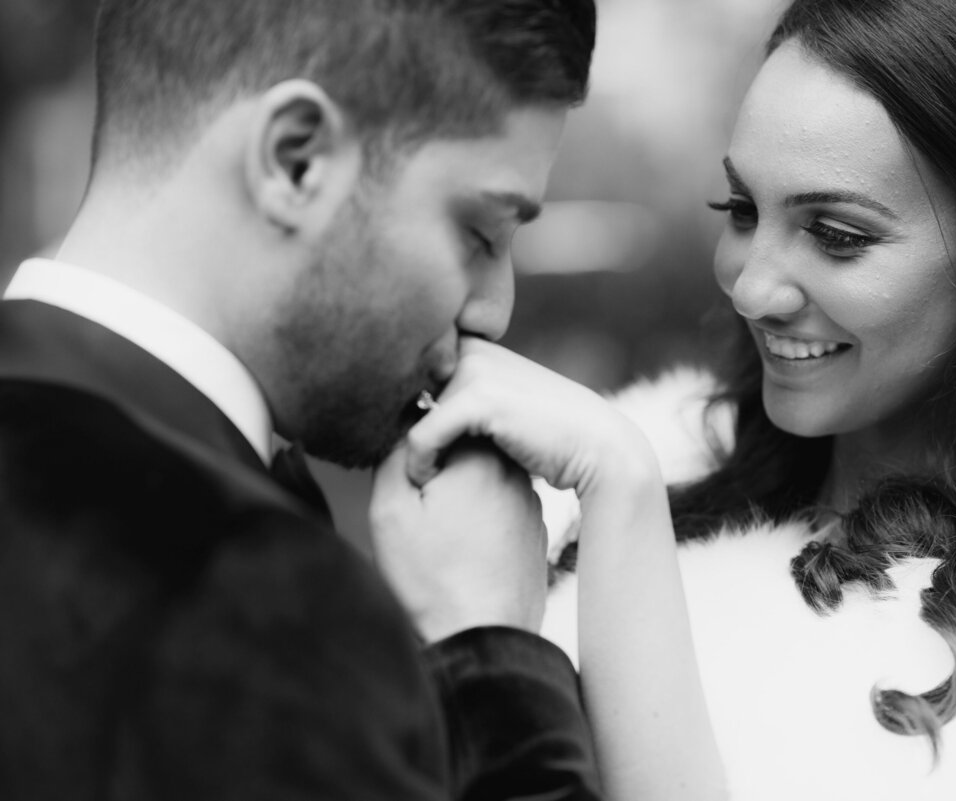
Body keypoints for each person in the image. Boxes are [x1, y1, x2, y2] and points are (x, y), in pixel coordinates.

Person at [403, 0, 956, 798]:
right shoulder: (633, 464)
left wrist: (621, 497)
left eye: (839, 236)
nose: (751, 288)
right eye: (742, 211)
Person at [0, 1, 611, 798]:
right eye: (481, 233)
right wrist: (491, 655)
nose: (492, 312)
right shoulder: (250, 595)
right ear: (296, 159)